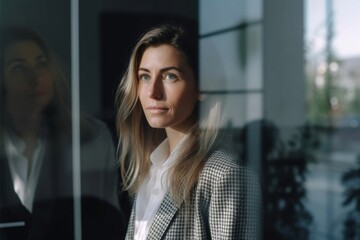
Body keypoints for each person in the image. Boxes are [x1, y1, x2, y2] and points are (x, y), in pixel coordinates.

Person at [115, 24, 261, 239]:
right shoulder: (151, 170)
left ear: (202, 86)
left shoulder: (225, 175)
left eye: (170, 76)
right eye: (145, 76)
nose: (152, 92)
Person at [0, 26, 126, 239]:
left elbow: (106, 226)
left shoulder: (92, 138)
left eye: (41, 64)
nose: (35, 77)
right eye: (19, 69)